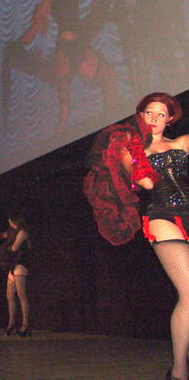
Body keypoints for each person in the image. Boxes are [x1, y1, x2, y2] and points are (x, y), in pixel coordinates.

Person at [84, 92, 189, 380]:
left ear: (170, 119)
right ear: (139, 115)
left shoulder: (183, 142)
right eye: (149, 113)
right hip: (162, 216)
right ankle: (180, 371)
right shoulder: (129, 148)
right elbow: (145, 182)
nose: (154, 119)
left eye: (161, 115)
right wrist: (136, 147)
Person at [2, 0, 137, 134]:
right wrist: (37, 23)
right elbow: (33, 31)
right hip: (67, 46)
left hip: (78, 38)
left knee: (109, 77)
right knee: (65, 102)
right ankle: (62, 136)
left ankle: (115, 129)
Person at [0, 213, 32, 336]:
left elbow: (14, 248)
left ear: (14, 220)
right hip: (12, 264)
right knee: (9, 295)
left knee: (21, 295)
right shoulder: (11, 231)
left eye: (10, 220)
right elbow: (3, 235)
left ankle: (26, 325)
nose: (8, 221)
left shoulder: (22, 232)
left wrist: (2, 249)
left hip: (20, 264)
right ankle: (11, 324)